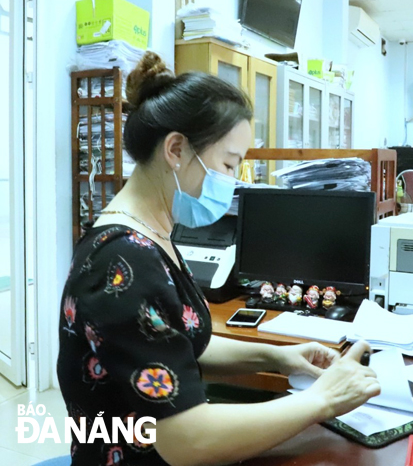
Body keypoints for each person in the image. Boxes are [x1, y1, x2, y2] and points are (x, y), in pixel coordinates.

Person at [57, 52, 380, 466]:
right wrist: (322, 399)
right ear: (176, 149)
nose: (232, 181)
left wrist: (276, 356)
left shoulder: (152, 236)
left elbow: (178, 346)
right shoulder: (124, 262)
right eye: (229, 164)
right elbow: (187, 441)